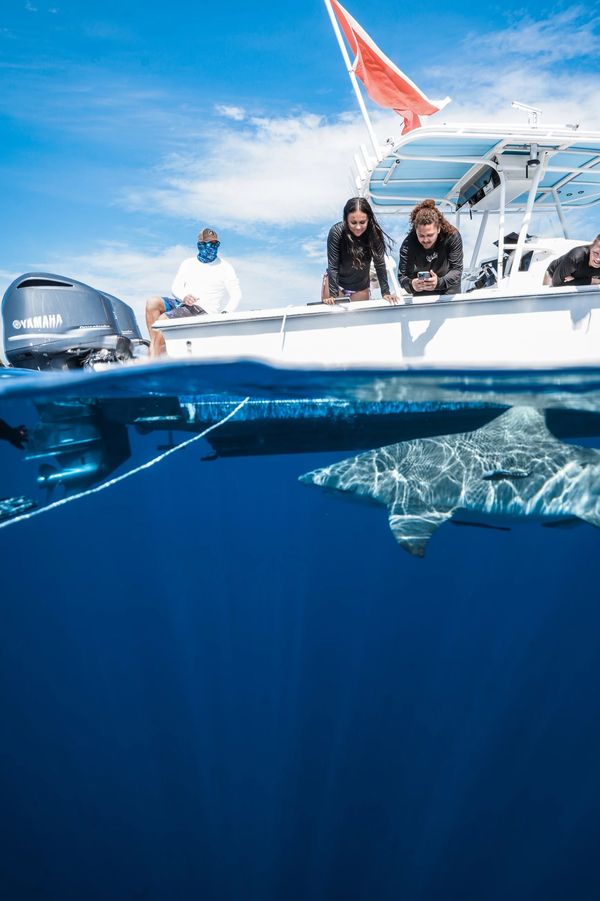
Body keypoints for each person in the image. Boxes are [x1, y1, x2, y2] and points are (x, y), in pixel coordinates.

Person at [145, 227, 241, 358]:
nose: (212, 247)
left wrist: (225, 313)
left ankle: (153, 359)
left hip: (202, 310)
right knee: (152, 302)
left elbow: (236, 295)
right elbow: (176, 286)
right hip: (182, 303)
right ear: (199, 245)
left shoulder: (226, 267)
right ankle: (157, 349)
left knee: (162, 321)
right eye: (208, 244)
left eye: (215, 244)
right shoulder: (187, 263)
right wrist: (184, 296)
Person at [324, 197, 397, 305]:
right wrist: (333, 295)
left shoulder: (374, 234)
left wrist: (385, 292)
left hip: (360, 289)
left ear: (369, 219)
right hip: (336, 285)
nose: (358, 227)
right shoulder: (336, 232)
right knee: (332, 318)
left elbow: (380, 264)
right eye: (353, 222)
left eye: (362, 222)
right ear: (346, 219)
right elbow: (333, 266)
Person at [398, 199, 463, 296]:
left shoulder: (452, 236)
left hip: (448, 286)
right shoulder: (408, 245)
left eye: (430, 235)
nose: (425, 240)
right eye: (421, 236)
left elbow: (457, 270)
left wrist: (439, 282)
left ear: (438, 229)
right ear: (416, 231)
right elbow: (402, 276)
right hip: (421, 288)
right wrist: (412, 285)